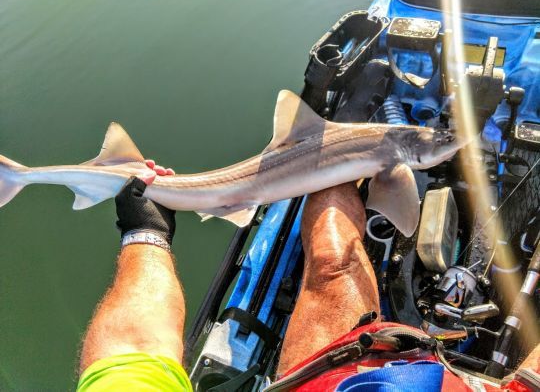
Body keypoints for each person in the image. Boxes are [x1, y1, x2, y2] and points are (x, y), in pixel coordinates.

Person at [76, 163, 540, 391]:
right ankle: (336, 161)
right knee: (333, 261)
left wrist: (146, 230)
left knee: (332, 261)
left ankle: (330, 163)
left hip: (326, 380)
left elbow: (132, 352)